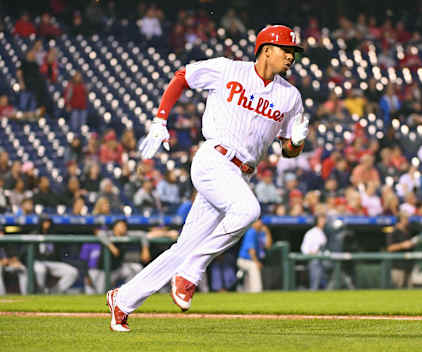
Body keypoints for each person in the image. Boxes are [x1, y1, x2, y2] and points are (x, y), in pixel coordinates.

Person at [107, 25, 308, 332]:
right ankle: (192, 270)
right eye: (287, 50)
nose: (292, 57)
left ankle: (122, 300)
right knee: (248, 211)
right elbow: (182, 77)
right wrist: (161, 119)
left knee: (184, 247)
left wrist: (296, 144)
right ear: (266, 50)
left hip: (240, 175)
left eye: (294, 52)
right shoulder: (228, 70)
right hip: (213, 158)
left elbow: (287, 150)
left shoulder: (290, 97)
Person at [82, 220, 143, 294]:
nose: (122, 228)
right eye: (120, 226)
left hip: (118, 269)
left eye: (124, 226)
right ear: (114, 227)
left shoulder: (127, 234)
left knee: (136, 268)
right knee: (101, 293)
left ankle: (126, 293)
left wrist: (145, 249)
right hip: (104, 271)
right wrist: (111, 246)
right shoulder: (108, 234)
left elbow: (142, 234)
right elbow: (100, 233)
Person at [33, 217, 79, 294]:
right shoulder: (34, 234)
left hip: (52, 262)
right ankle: (41, 292)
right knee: (40, 270)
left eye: (48, 222)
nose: (47, 224)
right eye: (45, 222)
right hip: (38, 261)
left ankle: (54, 292)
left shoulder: (54, 234)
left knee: (73, 272)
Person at [236, 219, 272, 293]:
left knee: (250, 275)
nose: (260, 223)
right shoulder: (251, 232)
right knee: (254, 267)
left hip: (251, 260)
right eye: (258, 221)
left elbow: (268, 246)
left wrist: (267, 232)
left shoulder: (260, 233)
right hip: (244, 260)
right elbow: (251, 250)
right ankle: (256, 291)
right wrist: (256, 262)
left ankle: (247, 291)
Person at [386, 212, 417, 288]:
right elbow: (389, 248)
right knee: (398, 290)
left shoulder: (408, 231)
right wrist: (402, 245)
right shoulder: (393, 231)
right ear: (400, 220)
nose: (407, 221)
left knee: (410, 290)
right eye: (405, 219)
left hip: (409, 265)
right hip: (398, 266)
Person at [300, 214, 328, 290]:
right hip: (314, 260)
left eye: (324, 220)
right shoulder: (311, 232)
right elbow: (304, 248)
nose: (323, 222)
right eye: (321, 220)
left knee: (324, 283)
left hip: (323, 260)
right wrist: (312, 253)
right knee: (315, 284)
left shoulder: (324, 232)